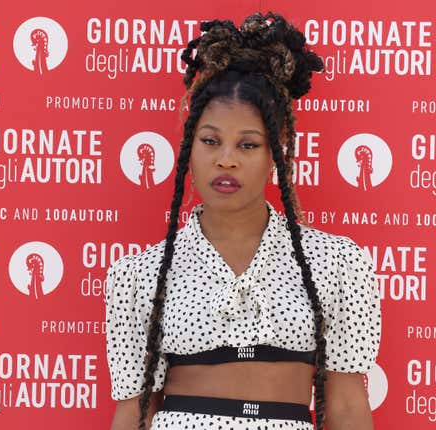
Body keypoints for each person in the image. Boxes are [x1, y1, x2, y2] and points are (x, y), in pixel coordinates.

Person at [105, 12, 381, 430]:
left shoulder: (338, 263)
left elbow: (346, 406)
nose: (226, 159)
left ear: (276, 151)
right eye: (210, 140)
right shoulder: (138, 275)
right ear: (189, 147)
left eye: (247, 144)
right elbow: (133, 414)